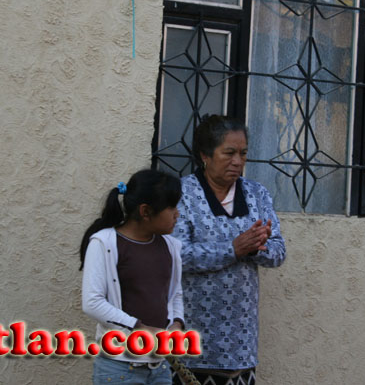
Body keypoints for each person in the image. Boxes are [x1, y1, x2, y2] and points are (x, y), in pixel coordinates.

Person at [172, 115, 286, 385]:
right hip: (193, 337)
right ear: (205, 155)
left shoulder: (257, 194)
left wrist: (255, 249)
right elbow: (177, 255)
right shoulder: (181, 193)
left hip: (242, 342)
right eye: (229, 153)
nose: (238, 161)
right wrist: (232, 249)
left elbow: (278, 252)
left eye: (243, 153)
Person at [80, 169, 184, 385]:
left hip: (160, 366)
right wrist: (140, 328)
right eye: (171, 207)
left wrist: (176, 324)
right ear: (145, 211)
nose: (177, 214)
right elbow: (92, 302)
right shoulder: (104, 243)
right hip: (119, 368)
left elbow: (174, 294)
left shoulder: (171, 246)